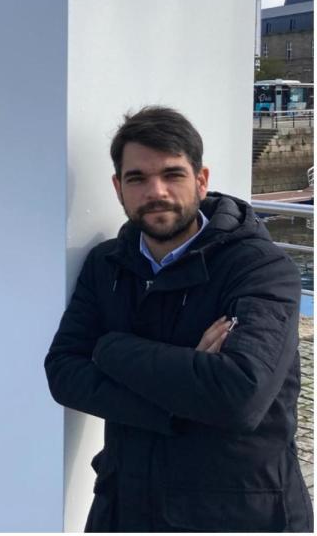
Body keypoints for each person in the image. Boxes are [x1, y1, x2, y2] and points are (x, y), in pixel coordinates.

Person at [44, 106, 312, 532]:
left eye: (172, 174)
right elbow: (62, 372)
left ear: (201, 180)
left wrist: (110, 347)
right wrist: (186, 390)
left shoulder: (260, 268)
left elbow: (240, 396)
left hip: (236, 511)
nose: (157, 191)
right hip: (126, 504)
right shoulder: (107, 264)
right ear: (118, 187)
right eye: (137, 178)